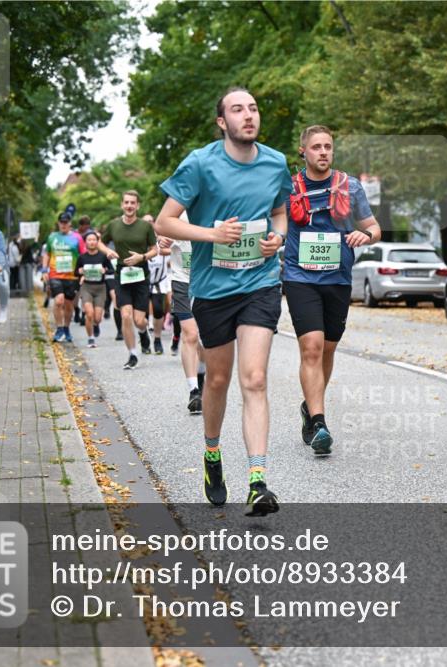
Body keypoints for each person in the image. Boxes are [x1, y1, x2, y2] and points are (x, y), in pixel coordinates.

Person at [154, 86, 292, 517]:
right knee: (217, 380)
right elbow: (165, 221)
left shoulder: (275, 162)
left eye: (253, 108)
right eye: (238, 109)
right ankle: (212, 455)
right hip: (213, 290)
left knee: (254, 379)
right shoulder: (200, 163)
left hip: (261, 283)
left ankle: (257, 481)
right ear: (222, 122)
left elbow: (280, 212)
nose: (248, 116)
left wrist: (278, 239)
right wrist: (212, 234)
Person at [283, 125, 381, 455]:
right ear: (303, 152)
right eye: (316, 147)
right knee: (310, 347)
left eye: (327, 146)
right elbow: (274, 224)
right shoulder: (287, 186)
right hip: (300, 277)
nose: (323, 152)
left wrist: (364, 236)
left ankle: (309, 408)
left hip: (338, 278)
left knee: (326, 350)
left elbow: (373, 228)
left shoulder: (350, 186)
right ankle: (320, 422)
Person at [99, 191, 159, 368]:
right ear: (122, 205)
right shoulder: (114, 225)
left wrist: (142, 257)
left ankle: (143, 332)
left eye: (133, 203)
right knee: (126, 315)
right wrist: (107, 251)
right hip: (122, 276)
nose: (129, 206)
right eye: (126, 202)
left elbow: (154, 249)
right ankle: (132, 355)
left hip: (141, 276)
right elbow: (101, 242)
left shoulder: (145, 227)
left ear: (138, 206)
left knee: (139, 320)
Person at [159, 214, 207, 414]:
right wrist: (163, 241)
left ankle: (201, 374)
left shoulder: (212, 205)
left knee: (204, 341)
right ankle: (193, 390)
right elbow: (162, 247)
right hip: (181, 281)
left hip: (207, 281)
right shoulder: (176, 212)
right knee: (190, 334)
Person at [42, 212, 86, 342]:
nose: (63, 225)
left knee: (68, 305)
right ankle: (59, 328)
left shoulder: (77, 238)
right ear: (58, 223)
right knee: (59, 301)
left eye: (66, 222)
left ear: (70, 223)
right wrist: (44, 269)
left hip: (72, 276)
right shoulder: (52, 237)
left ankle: (66, 328)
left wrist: (83, 271)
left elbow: (83, 255)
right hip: (55, 274)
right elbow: (47, 254)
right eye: (61, 222)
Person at [76, 231, 113, 348]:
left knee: (97, 317)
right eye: (89, 240)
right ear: (85, 242)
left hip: (100, 288)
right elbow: (75, 272)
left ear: (97, 242)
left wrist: (105, 270)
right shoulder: (82, 257)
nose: (92, 242)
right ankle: (90, 338)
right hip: (87, 287)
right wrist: (80, 272)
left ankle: (96, 325)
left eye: (94, 240)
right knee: (89, 314)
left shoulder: (103, 257)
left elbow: (112, 270)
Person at [145, 215, 172, 355]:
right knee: (141, 314)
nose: (148, 224)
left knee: (158, 309)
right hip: (142, 281)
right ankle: (143, 335)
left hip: (159, 281)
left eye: (150, 221)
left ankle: (157, 339)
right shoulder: (139, 240)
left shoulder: (162, 239)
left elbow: (171, 253)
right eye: (146, 222)